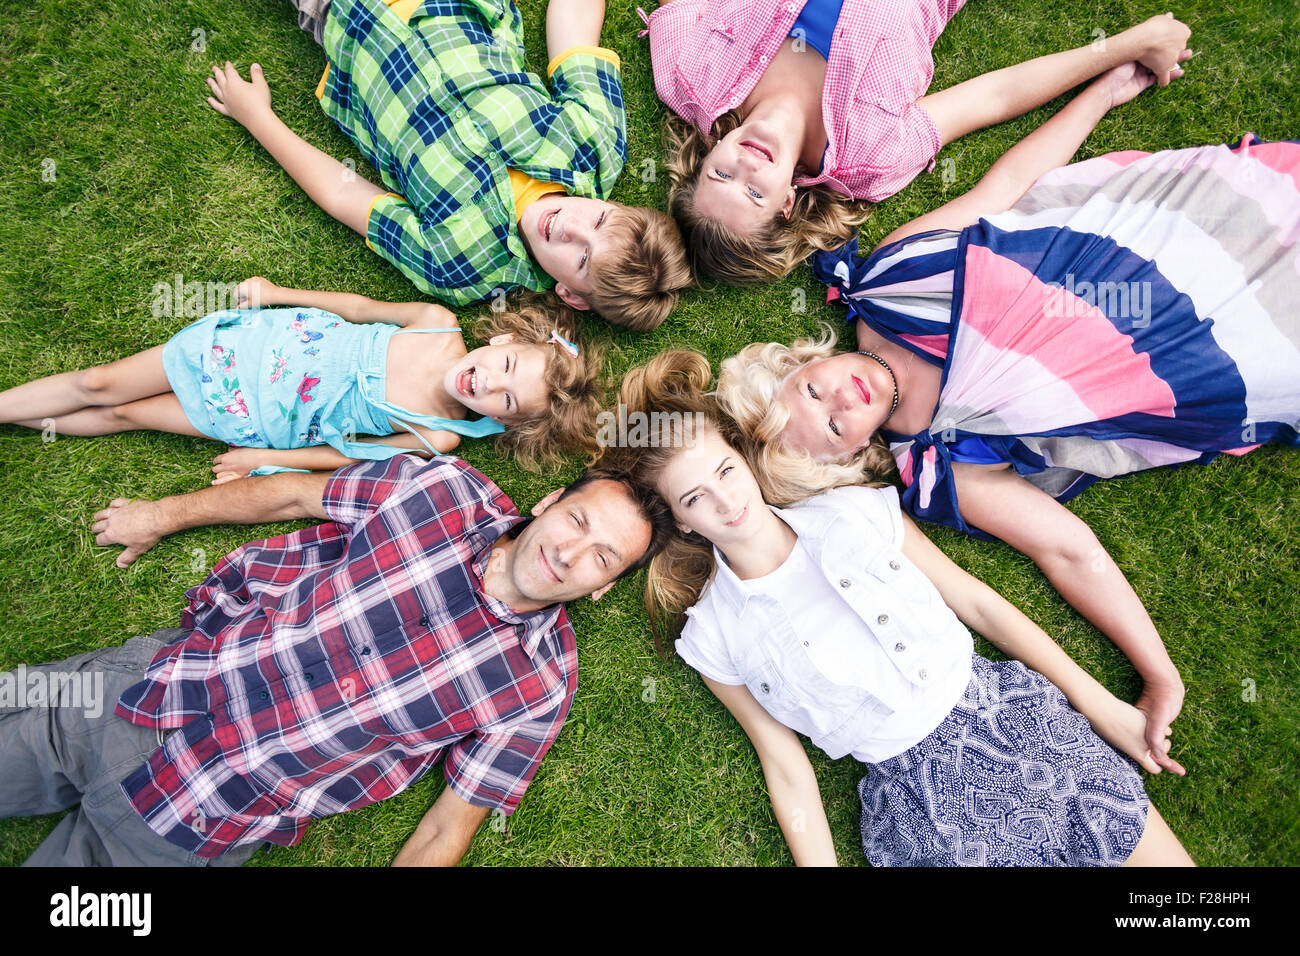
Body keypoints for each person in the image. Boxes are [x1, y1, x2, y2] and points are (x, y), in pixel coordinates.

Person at [715, 62, 1300, 773]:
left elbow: (1003, 188)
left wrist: (1103, 92)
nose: (843, 400)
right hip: (1204, 355)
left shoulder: (893, 280)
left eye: (813, 390)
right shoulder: (943, 461)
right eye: (835, 428)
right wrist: (1158, 672)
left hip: (1150, 245)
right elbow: (1068, 549)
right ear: (849, 456)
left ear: (801, 362)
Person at [615, 350, 1194, 866]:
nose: (726, 500)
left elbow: (980, 605)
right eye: (696, 497)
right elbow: (784, 763)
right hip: (924, 806)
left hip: (1013, 722)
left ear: (741, 460)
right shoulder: (713, 634)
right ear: (683, 520)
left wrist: (1104, 709)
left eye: (725, 471)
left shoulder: (857, 511)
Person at [0, 455, 673, 864]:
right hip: (150, 688)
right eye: (578, 522)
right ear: (550, 503)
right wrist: (162, 515)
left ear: (604, 586)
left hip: (194, 820)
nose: (571, 554)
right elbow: (297, 493)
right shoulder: (442, 492)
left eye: (603, 558)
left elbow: (450, 823)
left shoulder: (541, 685)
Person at [207, 0, 692, 330]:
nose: (570, 228)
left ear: (571, 295)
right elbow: (573, 35)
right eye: (600, 219)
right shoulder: (594, 145)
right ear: (613, 203)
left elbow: (345, 195)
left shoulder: (462, 268)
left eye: (582, 258)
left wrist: (258, 119)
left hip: (351, 22)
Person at [645, 0, 1192, 283]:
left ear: (707, 154)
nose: (744, 166)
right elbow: (995, 96)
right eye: (754, 194)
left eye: (721, 174)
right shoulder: (871, 155)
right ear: (787, 203)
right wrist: (1132, 42)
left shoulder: (691, 74)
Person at [0, 278, 604, 476]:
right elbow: (358, 308)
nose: (486, 383)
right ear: (504, 339)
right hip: (258, 347)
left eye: (504, 400)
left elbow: (345, 457)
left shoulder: (438, 436)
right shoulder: (434, 322)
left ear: (508, 424)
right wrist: (275, 293)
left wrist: (261, 458)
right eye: (503, 367)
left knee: (124, 414)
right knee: (103, 384)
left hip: (259, 418)